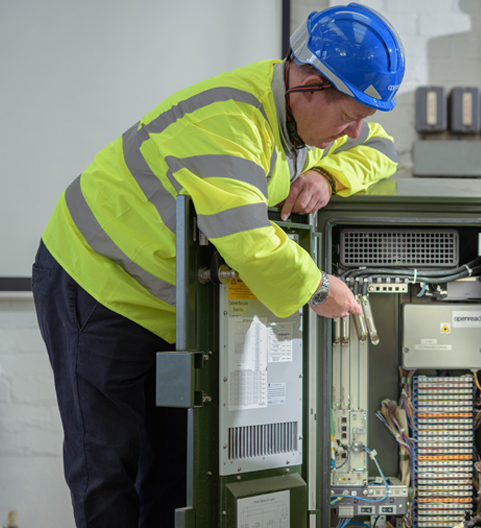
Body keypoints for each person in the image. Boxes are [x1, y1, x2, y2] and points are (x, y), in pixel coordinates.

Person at [31, 4, 405, 527]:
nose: (350, 132)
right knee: (107, 465)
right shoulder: (229, 122)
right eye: (347, 118)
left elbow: (383, 149)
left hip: (170, 302)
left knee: (176, 467)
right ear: (310, 85)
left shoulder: (307, 115)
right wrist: (320, 289)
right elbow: (249, 241)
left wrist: (330, 176)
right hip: (98, 283)